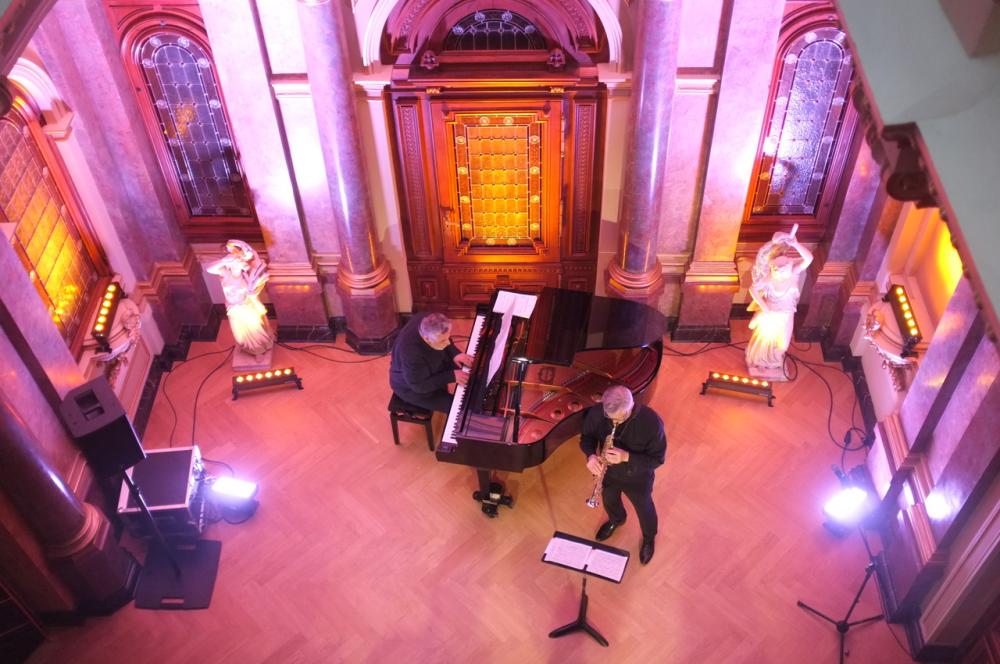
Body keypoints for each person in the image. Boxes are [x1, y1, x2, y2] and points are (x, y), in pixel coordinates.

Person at [580, 385, 666, 565]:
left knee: (645, 508)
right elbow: (586, 437)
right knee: (609, 500)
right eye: (610, 418)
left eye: (619, 418)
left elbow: (657, 460)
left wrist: (627, 457)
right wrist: (591, 456)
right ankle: (616, 519)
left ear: (631, 406)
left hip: (637, 478)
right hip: (609, 473)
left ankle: (649, 538)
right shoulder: (598, 413)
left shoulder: (651, 423)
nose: (615, 423)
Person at [745, 224, 813, 378]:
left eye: (784, 268)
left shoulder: (794, 274)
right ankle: (760, 362)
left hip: (787, 315)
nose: (780, 271)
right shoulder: (769, 279)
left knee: (782, 344)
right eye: (777, 269)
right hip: (771, 315)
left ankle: (774, 362)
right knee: (765, 340)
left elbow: (809, 259)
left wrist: (796, 244)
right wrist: (764, 308)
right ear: (772, 267)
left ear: (789, 266)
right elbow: (753, 289)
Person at [389, 312, 473, 413]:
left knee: (470, 370)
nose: (448, 342)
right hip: (413, 388)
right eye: (443, 341)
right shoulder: (410, 352)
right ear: (427, 338)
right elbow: (419, 386)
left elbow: (444, 336)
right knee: (461, 408)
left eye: (448, 337)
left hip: (431, 364)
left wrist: (455, 353)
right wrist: (451, 376)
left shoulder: (429, 319)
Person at [206, 239, 273, 357]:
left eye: (238, 261)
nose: (235, 262)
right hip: (233, 309)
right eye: (233, 260)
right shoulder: (225, 274)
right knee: (240, 334)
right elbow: (209, 269)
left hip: (246, 307)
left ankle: (258, 350)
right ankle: (249, 348)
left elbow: (254, 289)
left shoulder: (247, 277)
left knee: (255, 331)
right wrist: (223, 260)